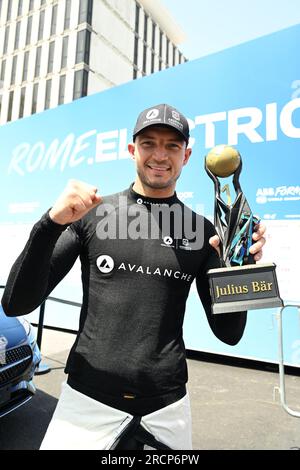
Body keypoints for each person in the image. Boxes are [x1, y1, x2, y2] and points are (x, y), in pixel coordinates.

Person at [2, 104, 266, 450]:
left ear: (186, 156)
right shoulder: (93, 214)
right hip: (86, 403)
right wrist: (49, 224)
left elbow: (229, 335)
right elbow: (16, 302)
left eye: (172, 145)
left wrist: (238, 268)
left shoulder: (203, 232)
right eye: (148, 143)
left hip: (166, 410)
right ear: (132, 151)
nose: (160, 155)